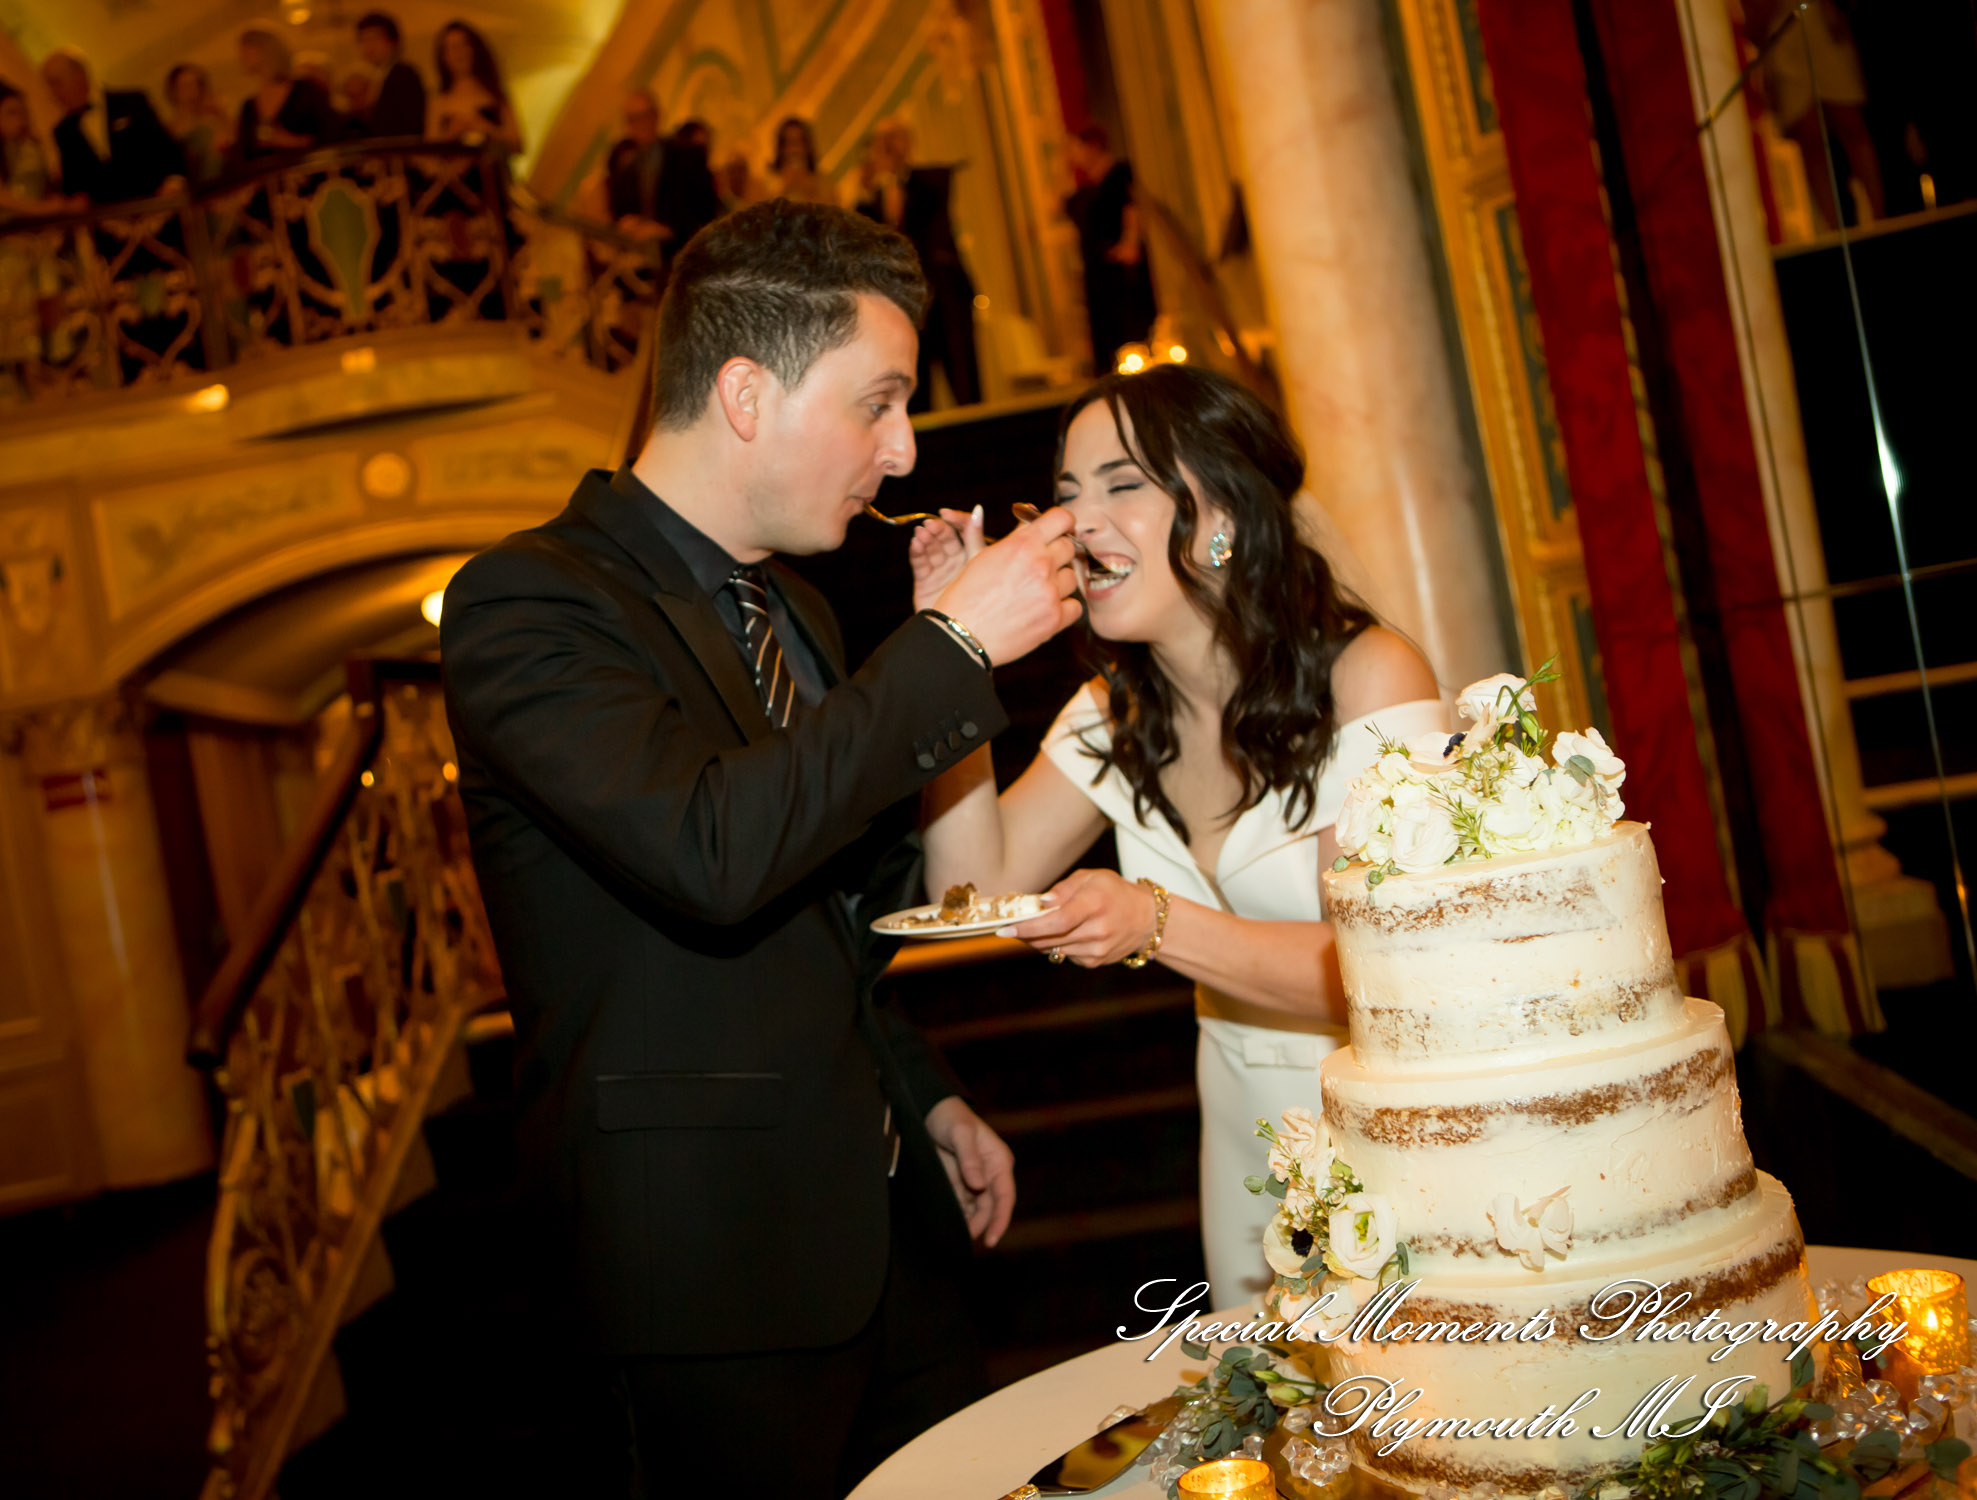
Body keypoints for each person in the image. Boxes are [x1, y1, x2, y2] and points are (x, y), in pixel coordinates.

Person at [440, 199, 1083, 1498]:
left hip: (876, 1222)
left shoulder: (791, 605)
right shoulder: (531, 603)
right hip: (701, 1277)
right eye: (879, 401)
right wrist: (950, 654)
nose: (902, 453)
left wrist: (919, 1089)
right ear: (745, 392)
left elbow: (828, 914)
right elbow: (712, 852)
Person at [909, 363, 1445, 1307]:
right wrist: (956, 659)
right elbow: (968, 889)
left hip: (1393, 1129)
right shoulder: (1112, 712)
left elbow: (1384, 976)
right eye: (1068, 496)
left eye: (1123, 484)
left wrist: (1156, 921)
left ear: (1225, 516)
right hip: (1246, 1138)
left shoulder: (1370, 678)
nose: (1080, 523)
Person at [854, 117, 980, 411]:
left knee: (965, 384)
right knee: (916, 391)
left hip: (944, 298)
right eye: (882, 141)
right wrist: (872, 185)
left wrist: (895, 173)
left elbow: (927, 209)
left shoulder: (932, 180)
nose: (888, 147)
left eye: (895, 138)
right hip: (905, 307)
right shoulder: (872, 196)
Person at [1065, 123, 1156, 372]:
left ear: (1092, 146)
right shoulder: (1084, 189)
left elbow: (1131, 207)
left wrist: (1130, 241)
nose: (1071, 154)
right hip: (1097, 270)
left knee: (1129, 327)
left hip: (1118, 267)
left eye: (1075, 147)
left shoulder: (1118, 174)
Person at [40, 48, 185, 204]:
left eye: (56, 83)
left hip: (155, 205)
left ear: (79, 75)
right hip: (109, 219)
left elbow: (165, 148)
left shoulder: (132, 103)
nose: (53, 93)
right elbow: (73, 182)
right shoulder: (63, 132)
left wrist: (173, 183)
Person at [590, 88, 721, 254]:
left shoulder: (688, 156)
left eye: (645, 116)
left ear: (656, 115)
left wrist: (665, 229)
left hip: (685, 253)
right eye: (633, 119)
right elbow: (619, 211)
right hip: (642, 259)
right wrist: (628, 225)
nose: (641, 124)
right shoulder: (624, 166)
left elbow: (705, 209)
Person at [234, 26, 336, 163]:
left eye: (246, 49)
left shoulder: (305, 91)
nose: (241, 56)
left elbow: (333, 133)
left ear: (266, 50)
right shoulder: (249, 107)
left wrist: (294, 142)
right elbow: (245, 155)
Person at [429, 20, 522, 155]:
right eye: (452, 47)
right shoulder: (437, 102)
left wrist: (485, 127)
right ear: (443, 57)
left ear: (474, 49)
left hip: (494, 173)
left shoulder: (494, 94)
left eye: (464, 44)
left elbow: (518, 145)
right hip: (458, 174)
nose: (459, 53)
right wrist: (451, 134)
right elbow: (429, 154)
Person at [350, 11, 425, 139]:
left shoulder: (404, 74)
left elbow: (408, 124)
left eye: (374, 39)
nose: (369, 47)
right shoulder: (378, 77)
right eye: (363, 40)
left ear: (392, 41)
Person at [163, 63, 232, 188]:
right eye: (185, 86)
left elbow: (231, 145)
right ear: (173, 90)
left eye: (195, 84)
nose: (191, 90)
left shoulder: (211, 120)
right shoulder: (167, 129)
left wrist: (221, 115)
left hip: (216, 187)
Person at [763, 115, 835, 206]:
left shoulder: (825, 184)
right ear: (780, 148)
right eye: (788, 142)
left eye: (799, 142)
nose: (794, 149)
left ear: (808, 146)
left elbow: (832, 214)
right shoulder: (768, 183)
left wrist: (811, 191)